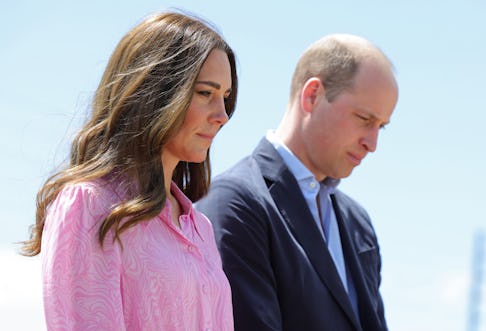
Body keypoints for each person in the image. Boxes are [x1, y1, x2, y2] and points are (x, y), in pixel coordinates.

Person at [21, 11, 238, 331]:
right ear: (155, 93)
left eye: (225, 97)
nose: (222, 115)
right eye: (206, 93)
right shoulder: (90, 205)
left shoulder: (200, 227)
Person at [196, 34, 398, 331]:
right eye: (365, 119)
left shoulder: (358, 223)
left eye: (381, 126)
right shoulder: (235, 203)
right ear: (312, 95)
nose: (373, 143)